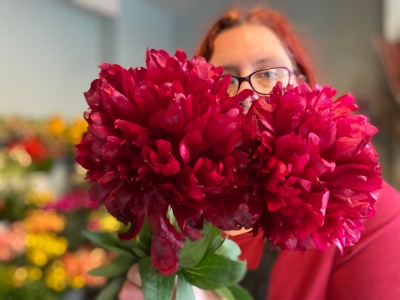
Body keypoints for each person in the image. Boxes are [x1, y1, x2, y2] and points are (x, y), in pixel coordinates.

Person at [118, 7, 400, 300]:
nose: (247, 94)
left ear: (303, 84)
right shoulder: (177, 215)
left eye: (268, 72)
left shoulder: (367, 213)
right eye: (224, 80)